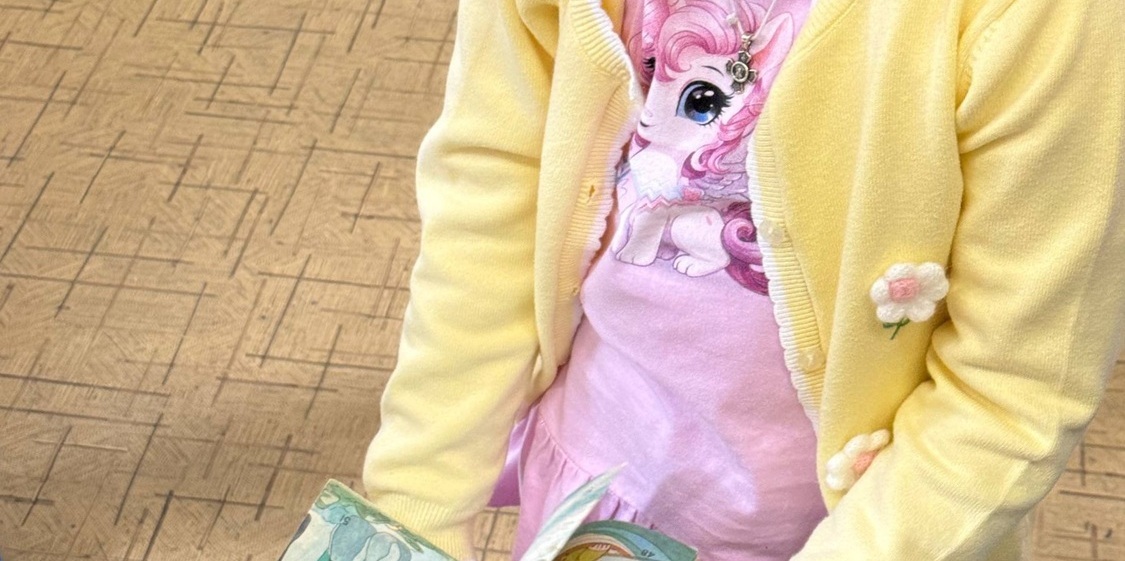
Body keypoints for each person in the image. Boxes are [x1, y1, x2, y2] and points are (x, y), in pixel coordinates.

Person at [361, 0, 1125, 557]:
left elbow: (1011, 387)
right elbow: (494, 192)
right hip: (600, 461)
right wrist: (413, 505)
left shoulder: (1046, 21)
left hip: (870, 521)